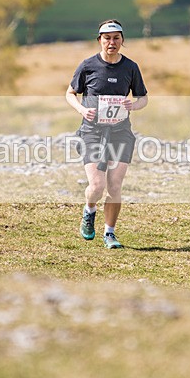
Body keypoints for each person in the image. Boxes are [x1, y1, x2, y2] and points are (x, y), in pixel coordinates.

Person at [65, 20, 148, 249]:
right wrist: (82, 109)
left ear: (122, 40)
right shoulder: (88, 65)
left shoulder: (130, 67)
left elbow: (143, 98)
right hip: (92, 131)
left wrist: (134, 105)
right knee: (97, 186)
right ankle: (89, 211)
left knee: (115, 185)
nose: (112, 42)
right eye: (107, 38)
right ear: (99, 40)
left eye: (116, 38)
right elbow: (70, 93)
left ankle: (109, 233)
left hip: (120, 132)